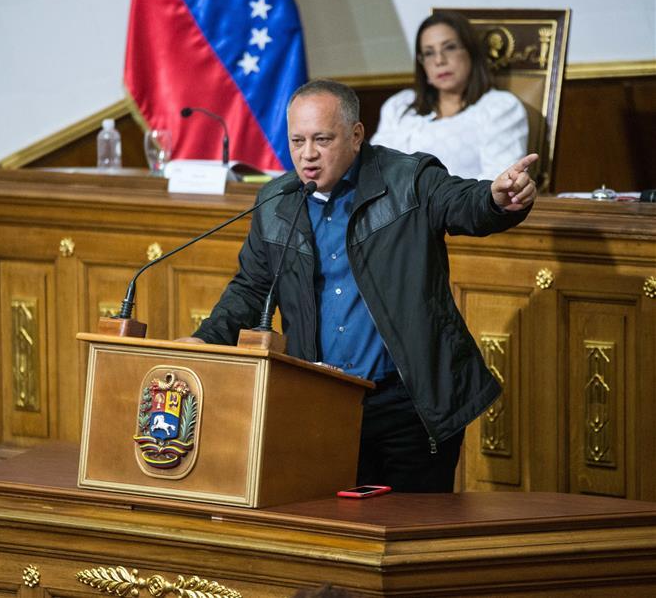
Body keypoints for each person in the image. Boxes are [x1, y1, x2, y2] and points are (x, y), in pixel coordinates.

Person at [180, 79, 537, 493]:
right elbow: (250, 289)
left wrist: (495, 198)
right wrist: (206, 340)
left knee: (412, 539)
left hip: (409, 405)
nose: (307, 154)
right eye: (297, 140)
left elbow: (463, 204)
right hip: (323, 404)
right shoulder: (276, 203)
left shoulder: (409, 179)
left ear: (355, 135)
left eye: (322, 139)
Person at [371, 11, 528, 180]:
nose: (439, 60)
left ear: (471, 53)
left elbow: (500, 180)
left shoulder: (499, 107)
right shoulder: (399, 105)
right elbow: (375, 168)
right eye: (429, 53)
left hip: (462, 205)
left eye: (450, 47)